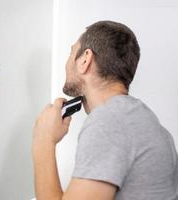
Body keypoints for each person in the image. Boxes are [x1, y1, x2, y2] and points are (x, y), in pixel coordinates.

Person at [32, 21, 178, 200]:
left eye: (71, 52)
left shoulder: (109, 122)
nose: (67, 61)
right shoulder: (148, 122)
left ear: (85, 59)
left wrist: (43, 141)